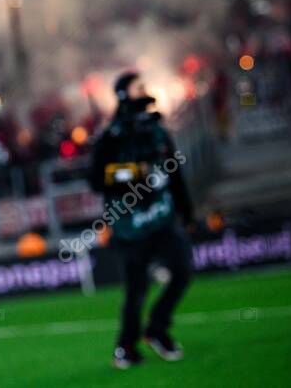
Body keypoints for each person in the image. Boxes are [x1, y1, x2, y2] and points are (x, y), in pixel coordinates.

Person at [89, 71, 194, 370]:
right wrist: (134, 173)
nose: (144, 89)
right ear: (124, 94)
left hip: (162, 218)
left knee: (183, 271)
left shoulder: (158, 130)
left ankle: (157, 329)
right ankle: (126, 347)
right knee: (137, 290)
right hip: (128, 226)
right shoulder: (110, 136)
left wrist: (187, 212)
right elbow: (96, 179)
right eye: (138, 87)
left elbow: (174, 173)